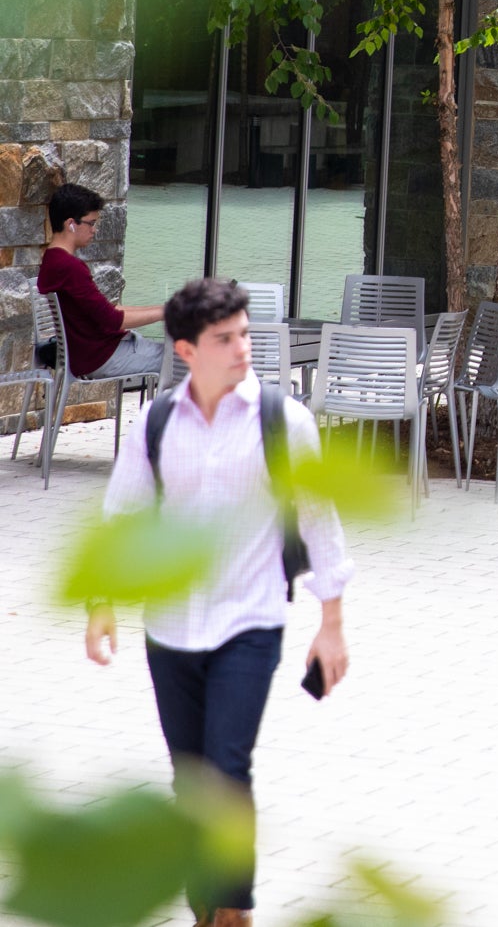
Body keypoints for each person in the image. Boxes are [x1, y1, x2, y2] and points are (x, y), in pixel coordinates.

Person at [86, 278, 353, 927]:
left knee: (227, 766)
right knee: (189, 775)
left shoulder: (283, 420)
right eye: (224, 338)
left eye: (245, 334)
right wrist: (102, 603)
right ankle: (206, 903)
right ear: (186, 350)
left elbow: (319, 519)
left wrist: (332, 624)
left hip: (250, 622)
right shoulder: (155, 424)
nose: (242, 348)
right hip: (171, 628)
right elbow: (121, 516)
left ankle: (234, 909)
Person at [38, 182, 166, 378]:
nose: (94, 230)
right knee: (189, 359)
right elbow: (112, 320)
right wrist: (167, 312)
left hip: (96, 351)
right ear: (71, 224)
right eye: (91, 223)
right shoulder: (69, 267)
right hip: (101, 356)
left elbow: (107, 311)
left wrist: (165, 309)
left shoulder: (53, 259)